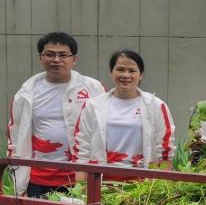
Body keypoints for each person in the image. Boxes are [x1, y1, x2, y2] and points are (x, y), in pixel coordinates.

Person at [7, 32, 105, 198]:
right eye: (50, 54)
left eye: (63, 55)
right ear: (40, 58)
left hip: (80, 178)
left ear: (74, 59)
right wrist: (19, 181)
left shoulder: (93, 89)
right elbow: (15, 136)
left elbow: (104, 131)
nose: (56, 59)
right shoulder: (26, 93)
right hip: (39, 179)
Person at [74, 50, 175, 178]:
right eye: (120, 69)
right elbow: (82, 147)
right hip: (101, 183)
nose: (125, 75)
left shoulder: (155, 105)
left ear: (141, 75)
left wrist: (161, 187)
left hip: (141, 186)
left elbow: (165, 149)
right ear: (111, 72)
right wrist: (82, 187)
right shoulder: (93, 105)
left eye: (132, 71)